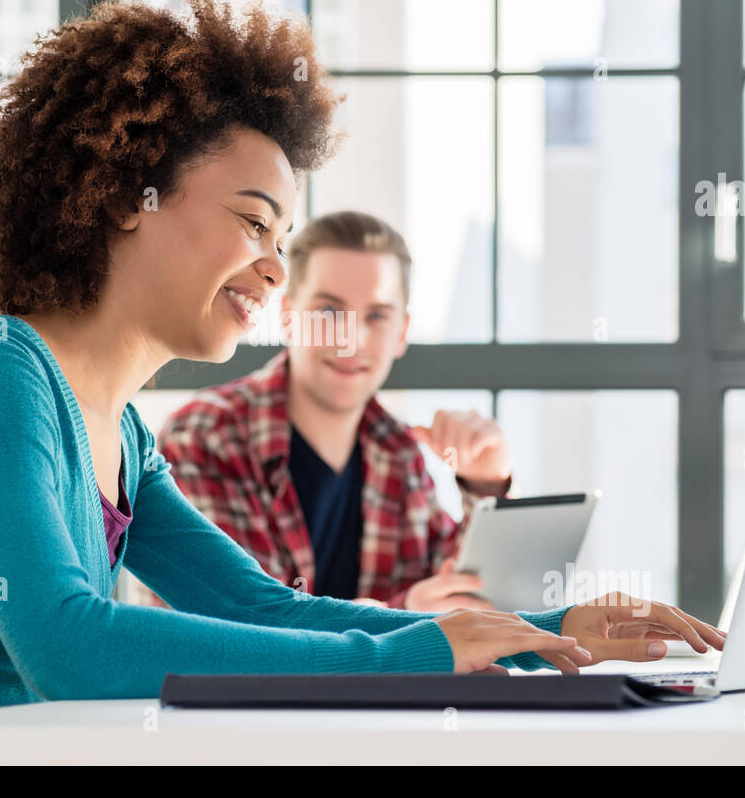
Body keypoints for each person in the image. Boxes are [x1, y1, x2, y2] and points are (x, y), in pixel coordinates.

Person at [0, 0, 723, 765]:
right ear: (122, 196)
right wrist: (416, 657)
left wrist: (547, 633)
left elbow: (258, 605)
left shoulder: (121, 431)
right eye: (250, 219)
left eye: (282, 236)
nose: (275, 267)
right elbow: (67, 645)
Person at [150, 210, 519, 611]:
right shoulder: (205, 436)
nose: (351, 340)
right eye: (328, 312)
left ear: (401, 333)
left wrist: (487, 486)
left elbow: (468, 593)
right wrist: (408, 619)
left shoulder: (397, 451)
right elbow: (241, 631)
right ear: (289, 317)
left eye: (377, 316)